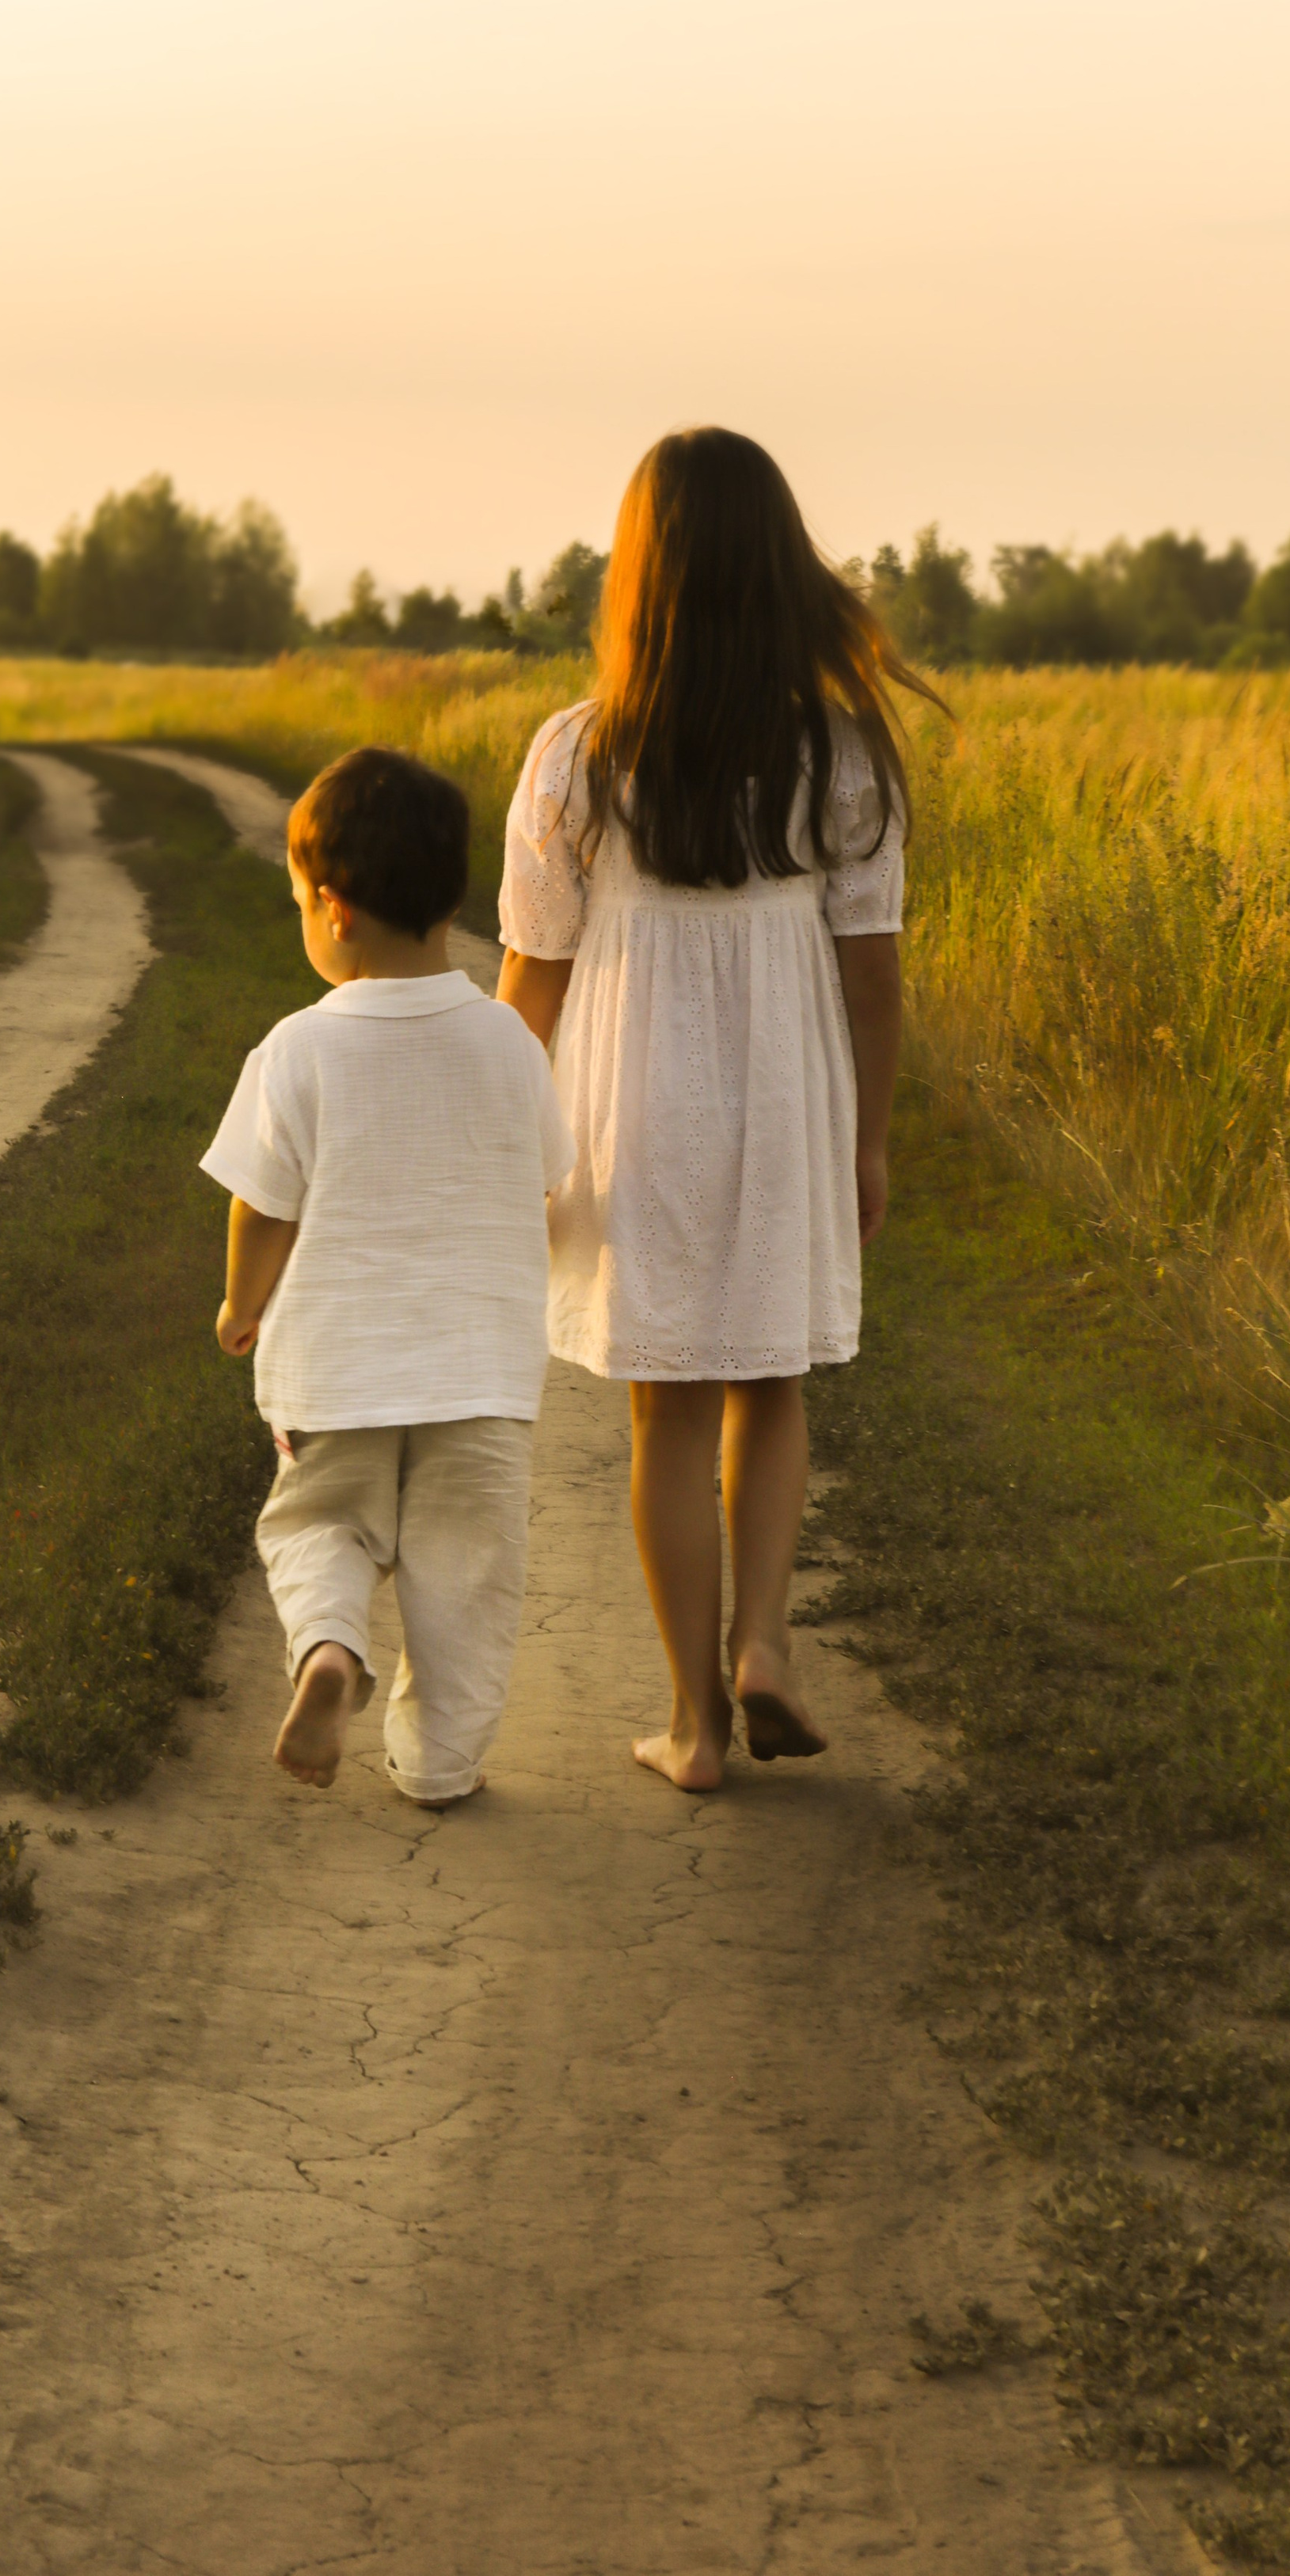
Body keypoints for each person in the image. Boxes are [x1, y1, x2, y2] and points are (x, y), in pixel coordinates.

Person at [497, 427, 934, 1793]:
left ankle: (691, 1727)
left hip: (632, 1090)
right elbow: (874, 978)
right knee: (771, 1380)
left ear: (641, 576)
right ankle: (765, 1651)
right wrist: (865, 1139)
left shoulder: (580, 756)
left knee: (666, 1412)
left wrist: (516, 1147)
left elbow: (532, 977)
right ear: (777, 570)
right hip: (785, 1077)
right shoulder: (840, 753)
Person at [202, 744, 576, 1803]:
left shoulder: (296, 1050)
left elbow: (262, 1203)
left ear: (333, 908)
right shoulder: (510, 1045)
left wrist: (243, 1303)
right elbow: (545, 1178)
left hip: (336, 1369)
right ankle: (440, 1766)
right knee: (467, 1576)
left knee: (321, 1522)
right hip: (480, 1374)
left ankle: (328, 1650)